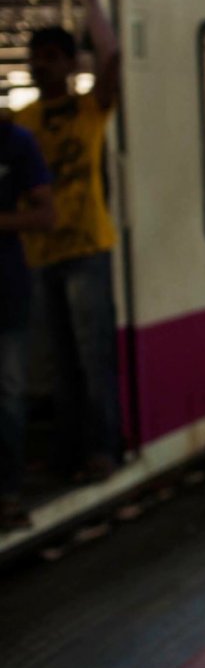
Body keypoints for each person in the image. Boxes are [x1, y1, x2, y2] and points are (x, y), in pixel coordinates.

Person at [16, 0, 123, 483]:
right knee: (58, 364)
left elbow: (111, 59)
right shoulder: (24, 120)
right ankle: (65, 453)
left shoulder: (89, 108)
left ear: (68, 63)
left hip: (87, 248)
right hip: (42, 253)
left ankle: (102, 448)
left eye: (51, 57)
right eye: (36, 58)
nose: (39, 65)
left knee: (92, 357)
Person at [0, 116, 55, 529]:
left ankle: (9, 493)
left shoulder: (15, 143)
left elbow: (45, 213)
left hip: (6, 287)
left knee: (9, 393)